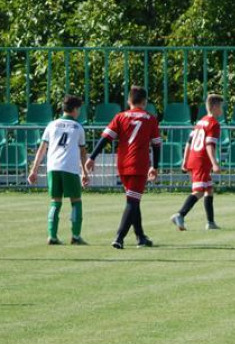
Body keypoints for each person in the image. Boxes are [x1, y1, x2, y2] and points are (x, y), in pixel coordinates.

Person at [85, 86, 161, 249]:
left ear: (129, 101)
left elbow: (105, 138)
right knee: (132, 201)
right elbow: (156, 145)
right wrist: (155, 166)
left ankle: (140, 236)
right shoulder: (150, 118)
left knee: (134, 199)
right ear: (144, 102)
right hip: (139, 164)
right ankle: (119, 237)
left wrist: (92, 157)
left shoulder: (120, 117)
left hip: (123, 163)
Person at [26, 95, 90, 245]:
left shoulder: (52, 125)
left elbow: (42, 149)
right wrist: (85, 173)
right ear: (74, 109)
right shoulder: (78, 128)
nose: (79, 112)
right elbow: (82, 152)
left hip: (53, 167)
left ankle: (52, 236)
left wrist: (34, 170)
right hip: (70, 168)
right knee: (76, 201)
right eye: (79, 109)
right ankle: (75, 236)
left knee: (55, 201)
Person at [171, 94, 223, 231]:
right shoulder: (214, 124)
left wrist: (185, 159)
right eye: (221, 106)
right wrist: (215, 163)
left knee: (209, 189)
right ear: (215, 107)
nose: (222, 110)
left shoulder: (201, 122)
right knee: (199, 191)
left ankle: (211, 222)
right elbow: (209, 145)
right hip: (201, 160)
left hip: (194, 158)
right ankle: (180, 214)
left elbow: (189, 142)